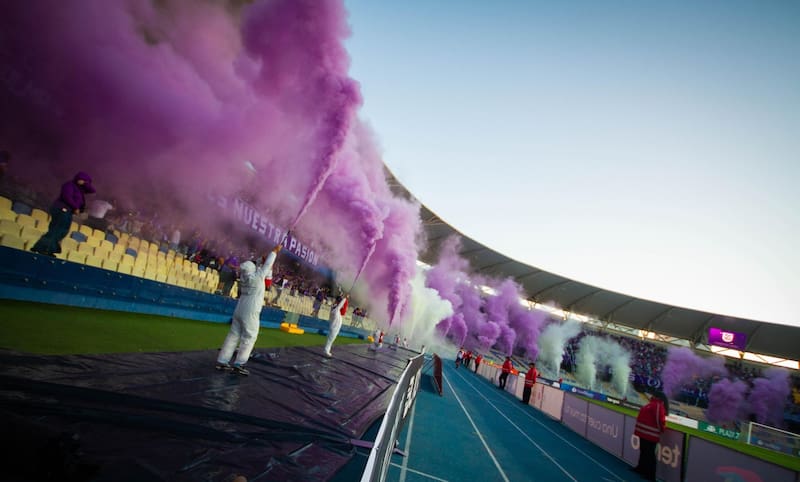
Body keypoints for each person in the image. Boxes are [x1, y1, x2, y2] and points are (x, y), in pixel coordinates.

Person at [216, 244, 282, 375]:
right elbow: (267, 265)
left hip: (240, 307)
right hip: (251, 310)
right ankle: (239, 363)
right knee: (250, 336)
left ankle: (222, 361)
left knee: (233, 335)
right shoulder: (258, 278)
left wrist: (264, 258)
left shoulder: (245, 278)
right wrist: (274, 251)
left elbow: (261, 266)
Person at [31, 172, 95, 257]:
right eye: (83, 180)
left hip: (68, 211)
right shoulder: (69, 185)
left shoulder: (80, 190)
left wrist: (86, 183)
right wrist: (75, 207)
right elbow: (67, 197)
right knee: (56, 229)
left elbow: (92, 190)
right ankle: (42, 248)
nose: (84, 182)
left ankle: (48, 249)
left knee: (62, 231)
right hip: (61, 209)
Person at [633, 391, 668, 481]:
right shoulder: (652, 404)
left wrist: (662, 428)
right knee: (644, 452)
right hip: (644, 433)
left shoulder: (657, 405)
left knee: (650, 455)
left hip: (650, 434)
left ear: (656, 396)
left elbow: (659, 419)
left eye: (652, 394)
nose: (650, 395)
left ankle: (650, 475)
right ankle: (641, 469)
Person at [323, 292, 348, 357]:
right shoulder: (335, 310)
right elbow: (340, 305)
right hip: (334, 327)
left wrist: (344, 298)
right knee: (330, 339)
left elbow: (341, 308)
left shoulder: (336, 309)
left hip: (336, 327)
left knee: (331, 339)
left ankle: (327, 350)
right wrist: (345, 298)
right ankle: (326, 351)